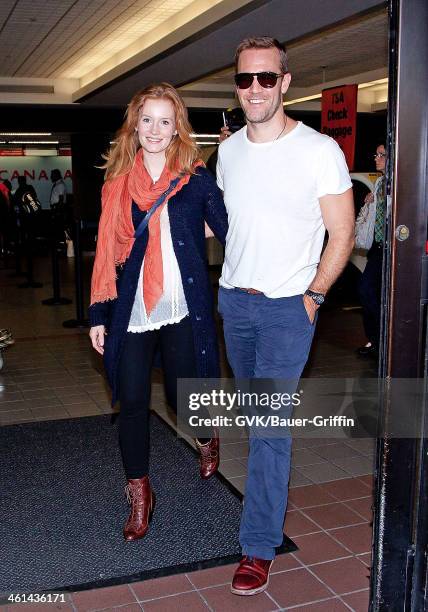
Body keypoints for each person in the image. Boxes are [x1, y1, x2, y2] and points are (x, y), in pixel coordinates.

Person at [216, 37, 355, 596]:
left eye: (266, 79)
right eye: (246, 80)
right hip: (234, 302)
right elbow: (225, 224)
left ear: (285, 83)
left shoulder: (320, 151)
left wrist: (315, 295)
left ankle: (257, 545)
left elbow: (342, 234)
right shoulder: (227, 152)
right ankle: (263, 518)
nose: (255, 90)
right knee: (255, 422)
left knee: (269, 429)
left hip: (287, 308)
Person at [89, 83, 228, 542]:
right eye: (147, 119)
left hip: (180, 304)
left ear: (176, 128)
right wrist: (97, 314)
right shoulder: (117, 184)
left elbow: (227, 227)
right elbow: (106, 252)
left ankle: (206, 437)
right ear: (135, 123)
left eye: (164, 121)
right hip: (132, 309)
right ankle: (141, 493)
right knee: (131, 401)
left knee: (182, 397)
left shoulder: (194, 175)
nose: (154, 129)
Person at [357, 144, 386, 357]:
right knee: (367, 291)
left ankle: (382, 340)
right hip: (377, 247)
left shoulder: (400, 182)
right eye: (375, 154)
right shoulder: (380, 183)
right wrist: (370, 202)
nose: (376, 158)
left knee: (374, 292)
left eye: (381, 155)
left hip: (393, 248)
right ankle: (376, 339)